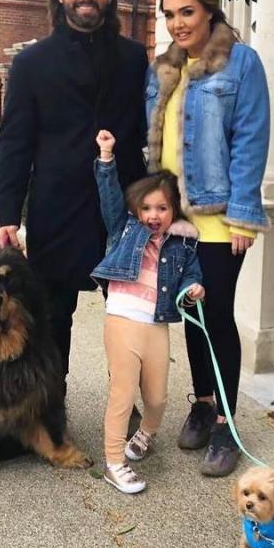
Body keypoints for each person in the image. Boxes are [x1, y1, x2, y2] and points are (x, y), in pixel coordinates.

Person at [0, 0, 148, 377]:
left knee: (128, 313)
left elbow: (143, 133)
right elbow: (14, 143)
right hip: (56, 208)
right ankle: (50, 406)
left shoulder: (134, 59)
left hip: (122, 209)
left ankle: (127, 401)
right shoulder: (31, 64)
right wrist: (8, 214)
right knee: (52, 315)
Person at [146, 0, 270, 478]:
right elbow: (155, 138)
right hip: (177, 218)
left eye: (186, 12)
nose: (177, 23)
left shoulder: (242, 63)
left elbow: (251, 138)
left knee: (217, 315)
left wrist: (243, 211)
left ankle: (225, 424)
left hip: (220, 216)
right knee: (191, 315)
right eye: (169, 15)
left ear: (210, 12)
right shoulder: (164, 69)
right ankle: (199, 403)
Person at [91, 129, 204, 494]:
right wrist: (106, 158)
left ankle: (147, 433)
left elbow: (191, 277)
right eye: (147, 208)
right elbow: (109, 199)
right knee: (123, 392)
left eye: (162, 208)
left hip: (157, 324)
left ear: (173, 211)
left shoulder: (184, 244)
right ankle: (113, 461)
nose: (154, 215)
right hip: (122, 318)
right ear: (137, 210)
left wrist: (192, 290)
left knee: (157, 397)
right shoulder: (126, 228)